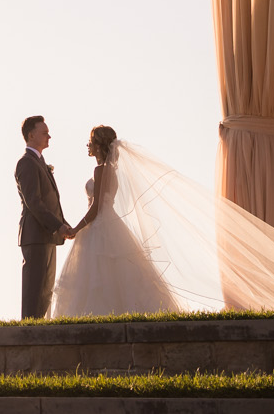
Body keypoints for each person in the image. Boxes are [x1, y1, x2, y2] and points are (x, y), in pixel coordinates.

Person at [52, 124, 181, 316]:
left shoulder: (100, 170)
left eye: (91, 141)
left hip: (98, 226)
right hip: (111, 223)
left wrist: (75, 229)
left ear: (99, 145)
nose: (88, 145)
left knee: (97, 276)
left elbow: (96, 208)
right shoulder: (112, 170)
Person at [15, 115, 72, 319]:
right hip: (35, 236)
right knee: (34, 294)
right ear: (31, 135)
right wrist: (58, 226)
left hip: (47, 236)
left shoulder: (39, 161)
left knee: (45, 294)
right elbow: (34, 202)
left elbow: (50, 200)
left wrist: (62, 224)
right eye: (44, 132)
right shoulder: (26, 163)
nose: (49, 136)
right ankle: (28, 334)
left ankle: (38, 331)